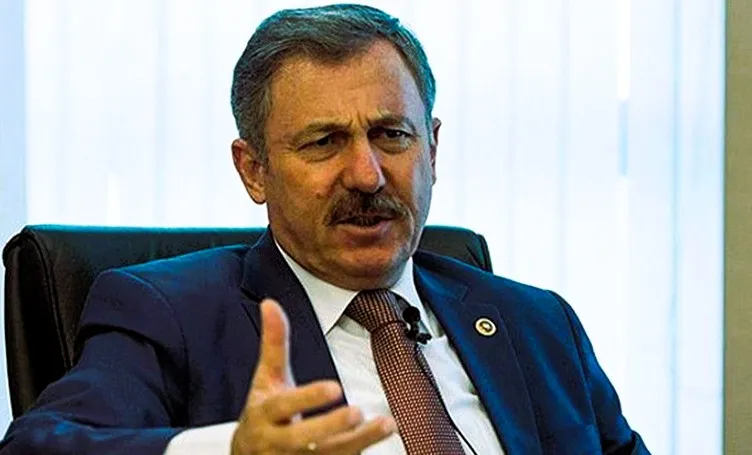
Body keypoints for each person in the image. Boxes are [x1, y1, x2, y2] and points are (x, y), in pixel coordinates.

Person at [0, 4, 650, 454]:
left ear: (433, 149)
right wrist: (232, 449)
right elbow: (39, 447)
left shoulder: (537, 323)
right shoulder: (169, 314)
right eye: (323, 142)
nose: (367, 174)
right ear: (254, 170)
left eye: (392, 135)